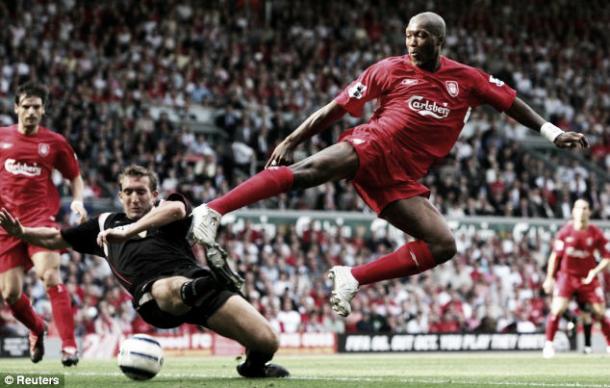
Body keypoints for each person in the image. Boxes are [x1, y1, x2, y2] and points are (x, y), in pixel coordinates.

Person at [188, 12, 589, 317]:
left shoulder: (466, 79)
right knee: (307, 172)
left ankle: (352, 278)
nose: (413, 42)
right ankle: (212, 210)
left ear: (439, 41)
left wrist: (553, 133)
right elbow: (338, 107)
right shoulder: (389, 68)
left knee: (442, 245)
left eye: (422, 37)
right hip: (374, 143)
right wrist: (294, 138)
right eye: (410, 35)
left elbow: (511, 103)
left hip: (404, 175)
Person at [0, 165, 289, 378]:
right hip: (155, 299)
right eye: (128, 192)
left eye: (141, 192)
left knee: (268, 342)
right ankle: (210, 280)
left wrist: (128, 231)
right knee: (170, 287)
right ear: (120, 195)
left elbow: (177, 210)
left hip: (200, 289)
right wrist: (22, 231)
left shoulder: (166, 210)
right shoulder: (103, 224)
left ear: (154, 194)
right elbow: (55, 238)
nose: (135, 198)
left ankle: (252, 367)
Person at [0, 82, 87, 366]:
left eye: (36, 106)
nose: (31, 111)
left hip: (40, 220)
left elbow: (74, 176)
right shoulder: (2, 138)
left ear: (44, 109)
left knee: (50, 276)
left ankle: (69, 347)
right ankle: (37, 328)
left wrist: (77, 201)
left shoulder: (54, 143)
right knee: (10, 293)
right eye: (26, 106)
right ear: (16, 108)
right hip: (5, 224)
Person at [541, 199, 610, 358]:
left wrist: (595, 271)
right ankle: (549, 345)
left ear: (589, 212)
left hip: (588, 278)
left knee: (599, 312)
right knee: (557, 309)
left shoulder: (595, 233)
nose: (582, 211)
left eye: (585, 208)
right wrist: (549, 278)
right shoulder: (565, 233)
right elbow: (555, 257)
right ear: (573, 211)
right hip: (567, 276)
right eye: (578, 208)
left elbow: (607, 256)